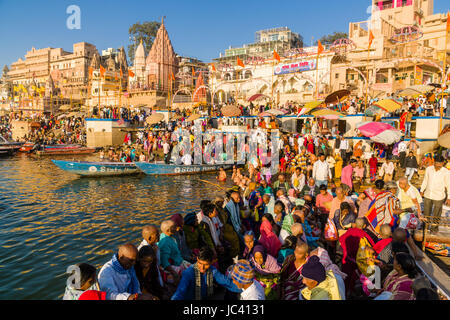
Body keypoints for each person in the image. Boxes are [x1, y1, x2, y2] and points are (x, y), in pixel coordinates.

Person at [171, 247, 241, 300]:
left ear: (211, 262)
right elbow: (180, 292)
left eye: (206, 264)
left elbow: (227, 283)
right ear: (197, 259)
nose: (202, 267)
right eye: (200, 263)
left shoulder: (212, 271)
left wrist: (246, 288)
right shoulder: (188, 273)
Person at [420, 154, 450, 234]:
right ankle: (425, 228)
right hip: (428, 194)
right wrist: (422, 190)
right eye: (436, 165)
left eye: (439, 166)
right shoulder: (429, 169)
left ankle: (434, 229)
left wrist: (449, 197)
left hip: (439, 196)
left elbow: (448, 185)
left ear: (443, 163)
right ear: (434, 163)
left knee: (437, 214)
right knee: (426, 213)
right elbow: (425, 180)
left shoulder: (446, 172)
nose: (437, 167)